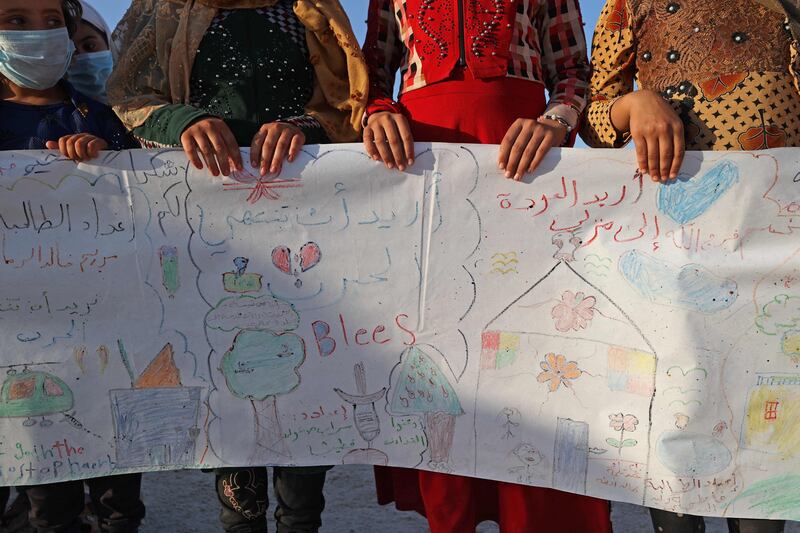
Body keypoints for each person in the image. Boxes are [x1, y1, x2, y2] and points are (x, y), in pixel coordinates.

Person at [107, 1, 367, 531]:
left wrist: (303, 128)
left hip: (306, 224)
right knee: (228, 370)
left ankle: (301, 519)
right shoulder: (165, 10)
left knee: (302, 371)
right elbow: (128, 98)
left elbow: (348, 104)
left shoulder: (309, 10)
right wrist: (187, 120)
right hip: (208, 226)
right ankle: (240, 521)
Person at [361, 1, 613, 531]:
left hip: (525, 165)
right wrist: (379, 111)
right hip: (427, 171)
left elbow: (573, 75)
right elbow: (372, 76)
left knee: (532, 346)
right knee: (445, 350)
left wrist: (553, 121)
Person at [581, 0, 800, 531]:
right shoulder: (628, 4)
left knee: (762, 462)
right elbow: (593, 117)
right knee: (677, 449)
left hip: (773, 260)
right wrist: (635, 103)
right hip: (674, 261)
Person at [0, 1, 144, 532]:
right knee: (48, 490)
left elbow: (147, 193)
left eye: (50, 20)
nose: (37, 34)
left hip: (107, 328)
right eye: (15, 20)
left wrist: (105, 160)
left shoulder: (99, 115)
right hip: (22, 345)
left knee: (118, 489)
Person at [65, 0, 114, 102]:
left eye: (90, 46)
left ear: (108, 44)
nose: (83, 57)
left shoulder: (148, 105)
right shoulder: (57, 115)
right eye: (69, 51)